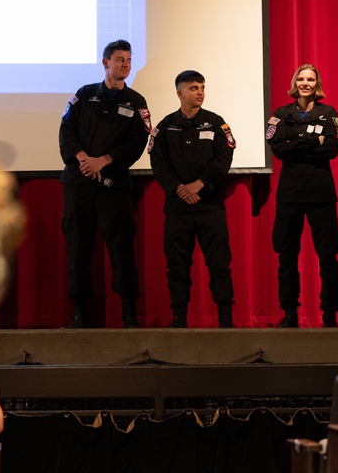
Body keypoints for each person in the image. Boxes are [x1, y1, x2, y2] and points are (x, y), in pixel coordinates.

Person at [59, 40, 151, 328]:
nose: (125, 64)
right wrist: (85, 159)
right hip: (79, 181)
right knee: (79, 248)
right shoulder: (84, 95)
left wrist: (105, 161)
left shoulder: (136, 102)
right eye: (119, 59)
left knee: (121, 247)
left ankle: (128, 313)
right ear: (105, 63)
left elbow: (138, 142)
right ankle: (79, 314)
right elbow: (66, 130)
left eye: (128, 60)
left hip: (114, 184)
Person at [148, 70, 237, 328]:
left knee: (219, 263)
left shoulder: (217, 123)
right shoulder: (164, 127)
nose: (200, 92)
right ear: (180, 93)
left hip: (209, 204)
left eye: (202, 87)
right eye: (194, 88)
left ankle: (225, 319)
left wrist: (199, 185)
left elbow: (224, 158)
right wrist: (179, 188)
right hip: (178, 206)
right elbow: (158, 162)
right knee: (177, 266)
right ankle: (178, 318)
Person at [266, 63, 338, 328]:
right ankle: (290, 313)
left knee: (328, 256)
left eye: (310, 79)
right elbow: (279, 149)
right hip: (289, 195)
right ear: (295, 83)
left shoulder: (329, 113)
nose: (305, 83)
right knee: (286, 257)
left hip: (321, 193)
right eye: (301, 78)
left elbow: (333, 148)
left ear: (316, 84)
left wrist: (296, 144)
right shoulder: (281, 113)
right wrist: (315, 141)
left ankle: (330, 314)